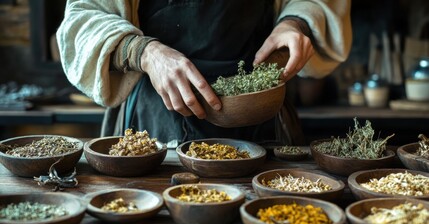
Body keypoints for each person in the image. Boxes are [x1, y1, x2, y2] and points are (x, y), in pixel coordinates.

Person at [57, 0, 352, 147]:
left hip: (262, 118)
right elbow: (81, 21)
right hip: (155, 124)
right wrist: (144, 52)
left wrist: (294, 23)